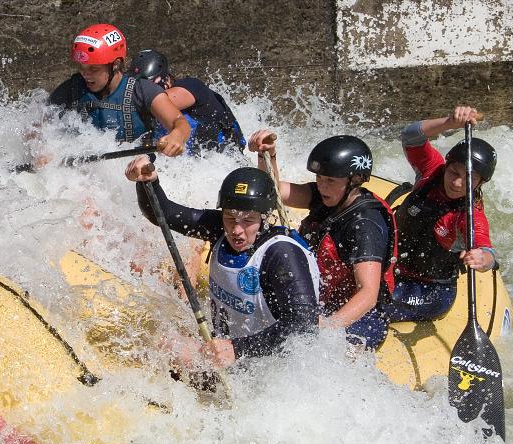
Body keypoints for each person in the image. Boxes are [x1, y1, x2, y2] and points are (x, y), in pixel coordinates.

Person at [124, 156, 320, 368]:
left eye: (248, 221)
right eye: (230, 218)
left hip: (269, 362)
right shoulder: (219, 228)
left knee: (170, 348)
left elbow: (304, 325)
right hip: (230, 352)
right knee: (159, 340)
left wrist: (238, 349)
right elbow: (162, 213)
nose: (236, 230)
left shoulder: (281, 253)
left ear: (264, 218)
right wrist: (147, 181)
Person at [249, 131, 397, 350]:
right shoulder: (327, 195)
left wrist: (328, 326)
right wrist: (267, 157)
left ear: (354, 181)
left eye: (330, 180)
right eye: (319, 178)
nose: (321, 186)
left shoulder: (366, 225)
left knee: (322, 351)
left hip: (362, 316)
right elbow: (274, 193)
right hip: (320, 298)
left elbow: (368, 294)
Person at [385, 105, 498, 321]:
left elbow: (488, 253)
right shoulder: (431, 171)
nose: (457, 183)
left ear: (481, 182)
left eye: (468, 179)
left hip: (431, 291)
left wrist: (482, 258)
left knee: (377, 302)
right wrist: (448, 123)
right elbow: (410, 136)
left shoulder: (470, 215)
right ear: (446, 165)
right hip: (392, 269)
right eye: (454, 172)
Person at [48, 24, 190, 156]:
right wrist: (43, 149)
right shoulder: (72, 87)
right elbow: (39, 123)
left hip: (137, 165)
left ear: (115, 64)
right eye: (82, 67)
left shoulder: (142, 90)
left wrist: (177, 135)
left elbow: (179, 122)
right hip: (87, 172)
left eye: (94, 69)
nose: (85, 74)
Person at [129, 49, 246, 154]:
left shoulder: (191, 86)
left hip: (228, 161)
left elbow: (156, 101)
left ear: (167, 80)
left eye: (148, 88)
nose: (144, 92)